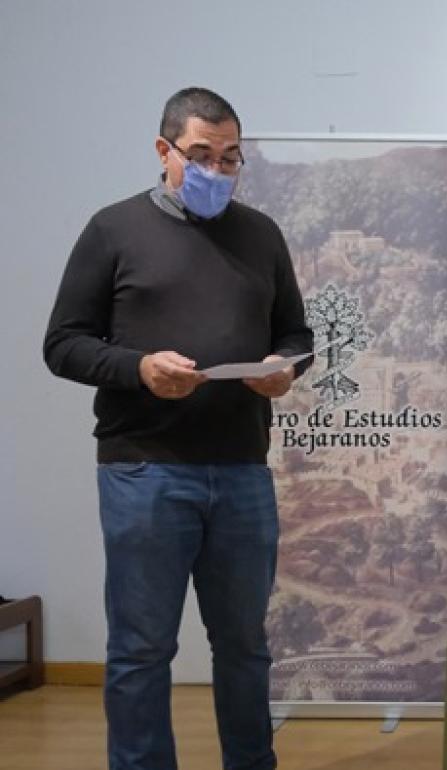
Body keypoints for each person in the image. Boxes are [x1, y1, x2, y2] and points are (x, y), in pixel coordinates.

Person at [43, 87, 312, 770]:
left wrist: (285, 367)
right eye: (201, 156)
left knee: (245, 645)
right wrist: (139, 368)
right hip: (145, 470)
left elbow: (296, 333)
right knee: (141, 646)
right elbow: (64, 343)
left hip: (243, 470)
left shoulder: (261, 234)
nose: (216, 172)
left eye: (230, 159)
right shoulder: (112, 230)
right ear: (164, 151)